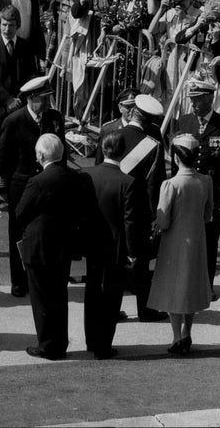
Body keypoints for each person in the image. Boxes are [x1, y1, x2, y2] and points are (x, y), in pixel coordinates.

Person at [0, 76, 66, 297]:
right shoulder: (14, 121)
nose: (47, 103)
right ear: (31, 98)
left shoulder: (54, 118)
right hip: (22, 184)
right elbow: (2, 158)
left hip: (48, 183)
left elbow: (61, 152)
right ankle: (19, 280)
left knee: (48, 229)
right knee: (18, 231)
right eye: (43, 99)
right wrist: (2, 189)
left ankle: (42, 275)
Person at [81, 131, 148, 359]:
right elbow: (130, 222)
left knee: (92, 292)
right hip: (116, 249)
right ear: (123, 152)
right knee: (110, 297)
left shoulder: (87, 175)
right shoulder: (127, 182)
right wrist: (132, 252)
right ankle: (103, 346)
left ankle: (91, 341)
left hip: (92, 244)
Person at [174, 80, 220, 301]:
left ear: (210, 99)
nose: (193, 104)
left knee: (210, 241)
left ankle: (207, 285)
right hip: (187, 189)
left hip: (213, 190)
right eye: (191, 100)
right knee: (186, 238)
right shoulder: (183, 122)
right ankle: (185, 284)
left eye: (198, 100)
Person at [147, 134, 213, 356]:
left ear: (176, 157)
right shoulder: (206, 181)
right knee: (191, 288)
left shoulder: (170, 184)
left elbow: (163, 221)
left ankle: (177, 336)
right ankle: (187, 332)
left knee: (173, 290)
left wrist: (156, 223)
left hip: (174, 242)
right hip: (197, 241)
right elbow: (208, 215)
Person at [15, 134, 77, 360]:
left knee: (41, 298)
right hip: (63, 245)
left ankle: (48, 345)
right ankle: (59, 342)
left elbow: (21, 213)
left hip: (39, 246)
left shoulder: (38, 181)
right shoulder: (74, 177)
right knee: (60, 295)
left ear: (40, 155)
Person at [117, 94, 168, 323]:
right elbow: (153, 186)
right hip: (137, 212)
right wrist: (152, 217)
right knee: (141, 262)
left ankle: (112, 308)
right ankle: (145, 310)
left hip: (111, 208)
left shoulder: (111, 135)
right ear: (149, 121)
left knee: (113, 261)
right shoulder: (152, 146)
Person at [0, 5, 37, 207]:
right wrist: (7, 100)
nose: (7, 29)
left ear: (18, 25)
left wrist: (19, 99)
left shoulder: (25, 46)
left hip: (18, 106)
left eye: (11, 25)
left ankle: (13, 188)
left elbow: (31, 75)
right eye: (4, 25)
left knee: (16, 149)